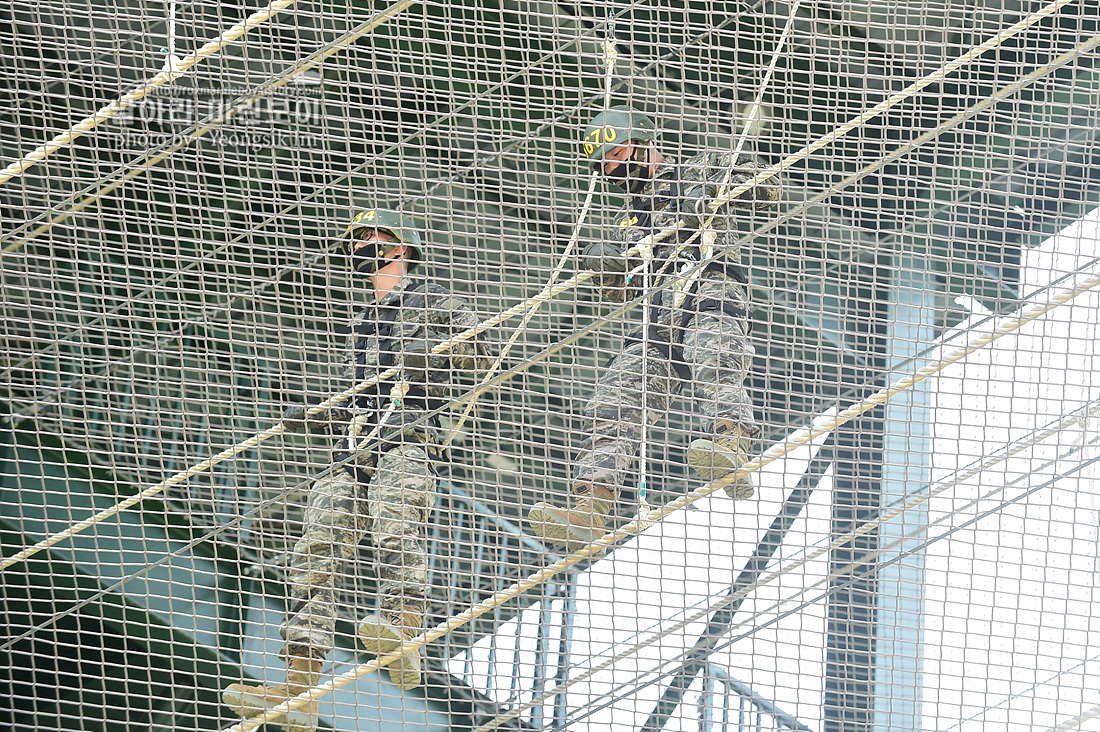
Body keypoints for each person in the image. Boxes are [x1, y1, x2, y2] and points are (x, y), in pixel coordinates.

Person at [223, 209, 490, 728]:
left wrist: (432, 354)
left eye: (374, 237)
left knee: (397, 527)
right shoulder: (362, 320)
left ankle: (404, 630)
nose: (364, 246)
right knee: (314, 554)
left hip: (411, 432)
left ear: (402, 245)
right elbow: (360, 387)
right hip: (353, 446)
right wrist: (324, 411)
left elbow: (484, 356)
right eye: (358, 241)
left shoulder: (435, 298)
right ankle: (299, 688)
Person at [528, 105, 780, 550]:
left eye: (619, 151)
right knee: (612, 403)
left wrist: (725, 191)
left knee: (716, 361)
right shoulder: (627, 221)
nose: (615, 165)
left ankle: (732, 443)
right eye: (606, 162)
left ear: (645, 144)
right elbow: (619, 289)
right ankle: (591, 507)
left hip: (709, 288)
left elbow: (767, 188)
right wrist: (601, 263)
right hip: (656, 323)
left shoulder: (699, 169)